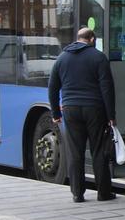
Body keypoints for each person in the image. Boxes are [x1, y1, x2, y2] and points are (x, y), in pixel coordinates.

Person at [48, 27, 116, 203]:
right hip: (95, 109)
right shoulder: (98, 57)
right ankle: (103, 193)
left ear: (77, 39)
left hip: (70, 109)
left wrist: (56, 113)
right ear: (92, 39)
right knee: (99, 151)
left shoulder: (61, 58)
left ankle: (77, 193)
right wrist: (111, 115)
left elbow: (53, 88)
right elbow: (107, 88)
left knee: (75, 152)